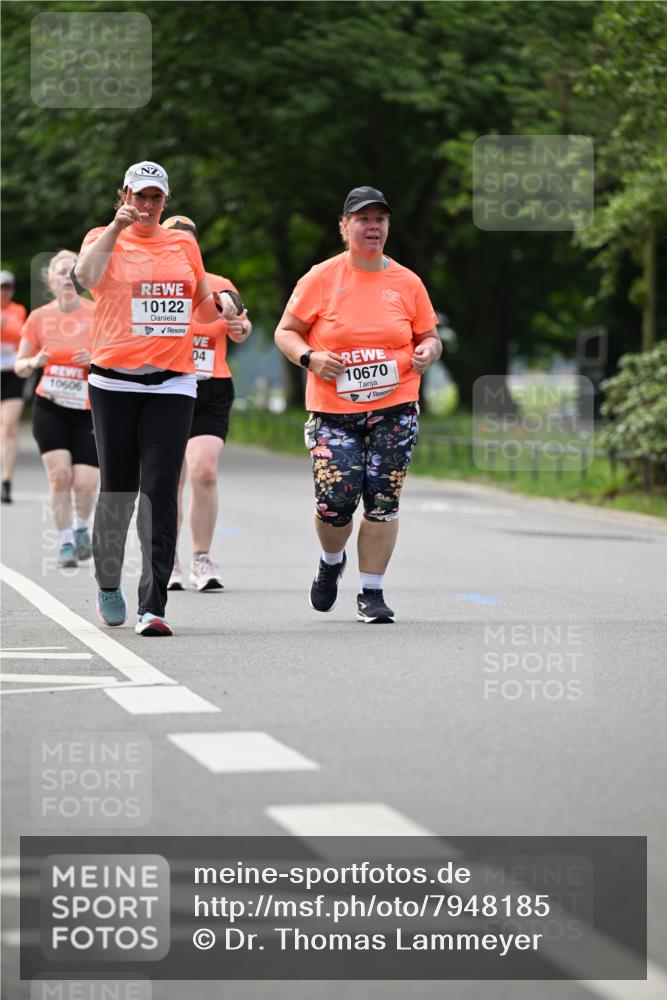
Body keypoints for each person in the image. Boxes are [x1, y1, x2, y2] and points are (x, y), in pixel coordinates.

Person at [73, 161, 238, 636]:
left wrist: (225, 304)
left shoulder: (183, 242)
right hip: (114, 382)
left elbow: (201, 301)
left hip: (174, 382)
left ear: (166, 201)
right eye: (139, 196)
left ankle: (154, 603)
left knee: (161, 489)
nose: (147, 206)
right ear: (124, 194)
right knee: (119, 491)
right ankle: (108, 582)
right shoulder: (100, 236)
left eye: (155, 198)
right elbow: (85, 277)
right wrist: (115, 230)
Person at [274, 186, 442, 623]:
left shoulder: (407, 282)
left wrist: (429, 351)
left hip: (396, 406)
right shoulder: (320, 278)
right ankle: (331, 562)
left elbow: (428, 336)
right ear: (345, 226)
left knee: (383, 500)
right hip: (333, 410)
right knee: (335, 502)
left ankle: (372, 592)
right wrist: (310, 357)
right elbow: (286, 332)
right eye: (363, 219)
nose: (373, 226)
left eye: (380, 219)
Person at [15, 251, 98, 567]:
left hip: (90, 408)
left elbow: (116, 358)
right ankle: (64, 541)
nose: (67, 277)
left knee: (86, 482)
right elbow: (20, 366)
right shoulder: (39, 318)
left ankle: (80, 528)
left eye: (73, 271)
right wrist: (34, 362)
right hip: (50, 406)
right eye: (61, 272)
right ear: (50, 280)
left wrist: (94, 359)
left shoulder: (98, 313)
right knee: (60, 475)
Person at [1, 270, 27, 503]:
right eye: (0, 287)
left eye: (7, 287)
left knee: (9, 427)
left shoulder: (18, 310)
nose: (3, 292)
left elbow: (22, 338)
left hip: (12, 373)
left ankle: (6, 480)